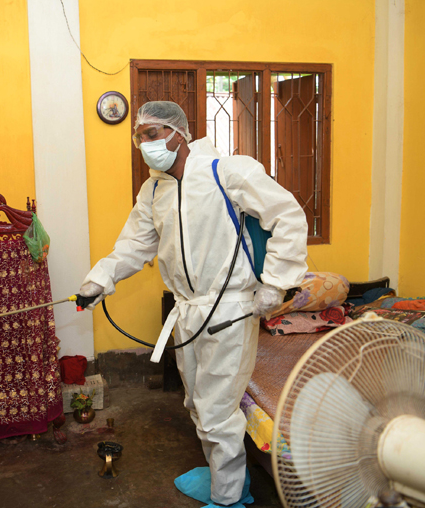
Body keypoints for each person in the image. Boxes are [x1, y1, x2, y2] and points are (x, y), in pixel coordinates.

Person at [78, 101, 308, 506]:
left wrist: (275, 283)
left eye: (152, 134)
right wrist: (100, 278)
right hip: (186, 311)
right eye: (139, 137)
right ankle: (226, 475)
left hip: (231, 310)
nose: (145, 144)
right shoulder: (153, 190)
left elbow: (287, 215)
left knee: (218, 410)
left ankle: (229, 497)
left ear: (178, 133)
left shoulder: (227, 171)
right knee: (198, 403)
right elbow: (134, 245)